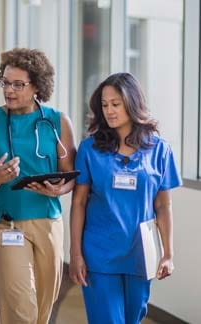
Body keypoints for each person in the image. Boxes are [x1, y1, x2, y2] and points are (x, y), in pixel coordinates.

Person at [69, 72, 182, 323]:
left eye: (115, 104)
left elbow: (163, 205)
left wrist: (168, 253)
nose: (109, 111)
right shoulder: (90, 148)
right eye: (105, 105)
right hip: (99, 254)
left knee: (133, 319)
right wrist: (75, 252)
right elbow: (78, 203)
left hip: (141, 255)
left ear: (132, 103)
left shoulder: (160, 150)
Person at [0, 48, 76, 324]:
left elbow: (71, 175)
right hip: (3, 221)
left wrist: (59, 189)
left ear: (37, 86)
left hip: (47, 219)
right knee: (20, 306)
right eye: (5, 82)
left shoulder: (57, 121)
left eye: (18, 84)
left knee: (45, 303)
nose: (9, 90)